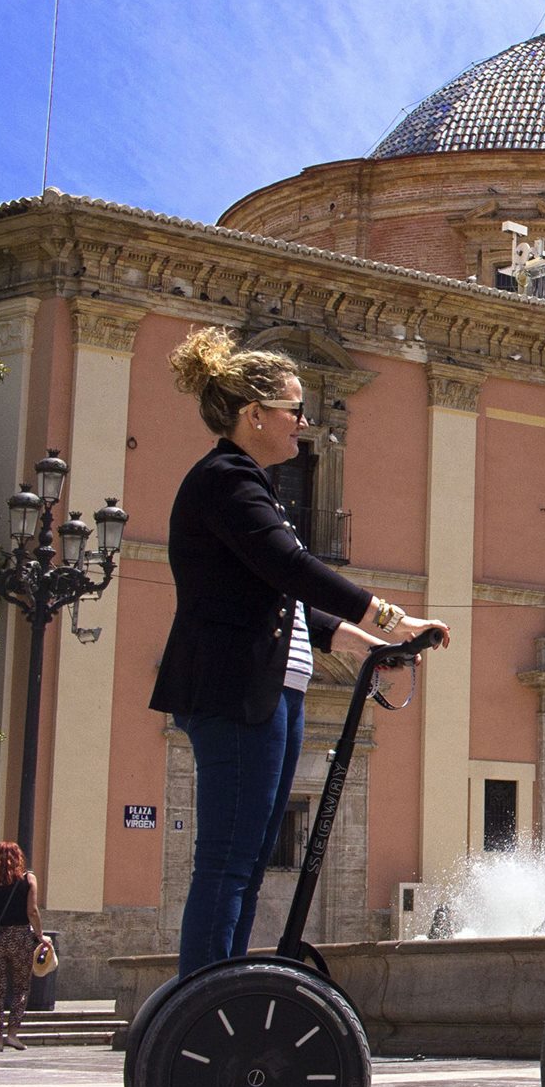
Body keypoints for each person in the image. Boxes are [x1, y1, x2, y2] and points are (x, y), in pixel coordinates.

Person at [151, 327, 449, 978]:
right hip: (235, 692)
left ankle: (220, 990)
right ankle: (196, 1006)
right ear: (253, 415)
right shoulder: (226, 481)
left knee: (249, 861)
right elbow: (290, 568)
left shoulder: (248, 486)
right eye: (293, 408)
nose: (303, 422)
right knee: (227, 859)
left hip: (271, 691)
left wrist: (371, 646)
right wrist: (391, 617)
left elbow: (286, 603)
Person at [0, 841, 42, 1050]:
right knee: (21, 987)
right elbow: (32, 911)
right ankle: (13, 1034)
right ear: (19, 858)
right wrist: (40, 935)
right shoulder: (28, 879)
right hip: (20, 936)